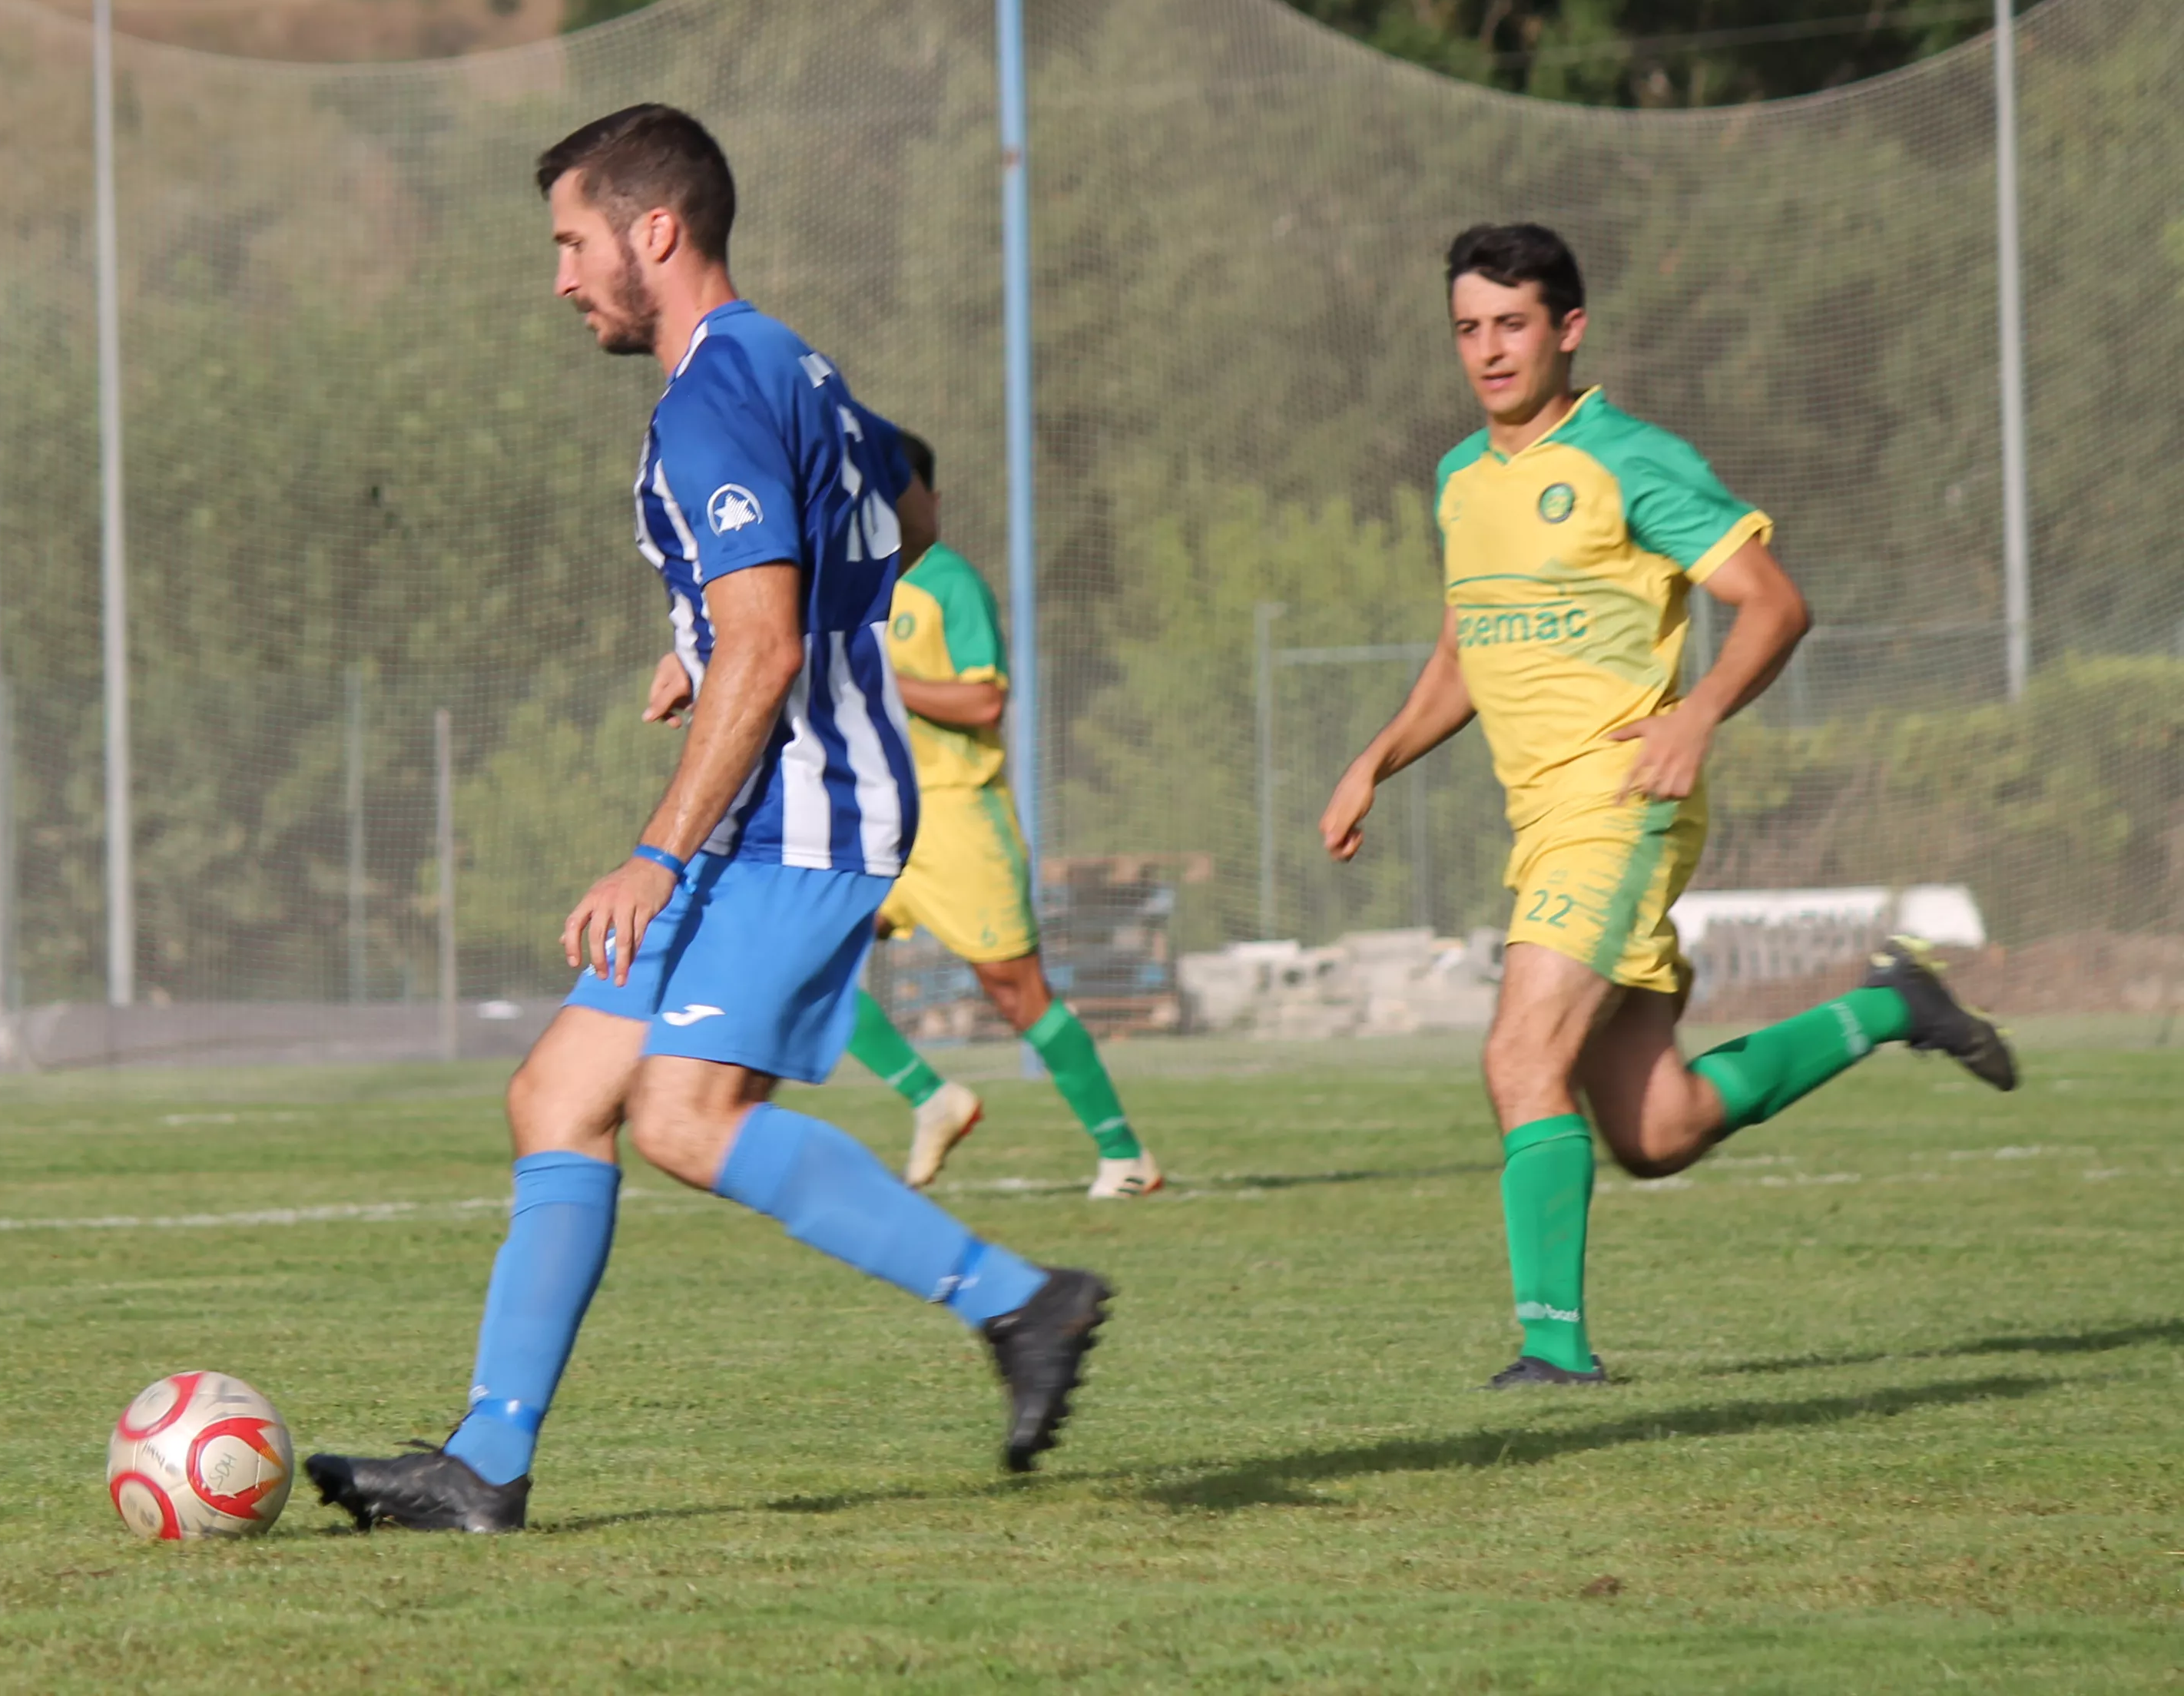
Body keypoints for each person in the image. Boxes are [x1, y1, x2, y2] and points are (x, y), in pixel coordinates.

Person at [304, 105, 1110, 1534]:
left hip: (800, 819)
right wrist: (717, 614)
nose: (561, 276)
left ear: (653, 232)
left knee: (682, 1117)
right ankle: (482, 1464)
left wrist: (665, 820)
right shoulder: (783, 358)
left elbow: (773, 649)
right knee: (554, 1097)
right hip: (764, 809)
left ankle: (1020, 1300)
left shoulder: (710, 396)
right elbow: (907, 498)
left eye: (572, 240)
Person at [1320, 224, 2013, 1390]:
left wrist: (1695, 719)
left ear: (1568, 330)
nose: (1489, 352)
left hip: (1621, 802)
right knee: (1658, 1130)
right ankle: (1889, 1008)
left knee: (1516, 1057)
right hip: (1541, 822)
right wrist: (1375, 759)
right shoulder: (1458, 480)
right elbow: (1465, 651)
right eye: (1469, 329)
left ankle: (1554, 1353)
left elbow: (1772, 605)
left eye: (1512, 325)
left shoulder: (1631, 459)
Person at [836, 430, 1160, 1198]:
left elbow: (986, 699)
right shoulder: (850, 588)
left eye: (899, 491)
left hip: (958, 818)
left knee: (1016, 992)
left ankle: (1126, 1157)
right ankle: (932, 1096)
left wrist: (885, 676)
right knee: (809, 961)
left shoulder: (950, 583)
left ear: (930, 502)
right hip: (880, 820)